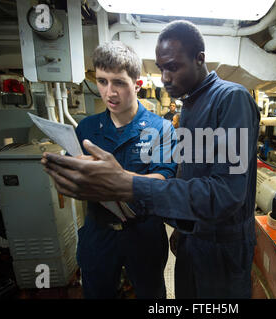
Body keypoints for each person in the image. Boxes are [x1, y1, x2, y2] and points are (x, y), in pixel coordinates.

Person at [42, 20, 260, 298]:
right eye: (161, 68)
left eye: (173, 66)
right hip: (193, 241)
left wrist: (128, 183)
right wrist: (181, 228)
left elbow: (226, 193)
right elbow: (191, 177)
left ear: (199, 59)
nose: (165, 77)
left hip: (221, 251)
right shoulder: (191, 106)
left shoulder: (230, 100)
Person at [63, 41, 177, 298]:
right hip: (99, 231)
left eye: (119, 83)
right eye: (102, 82)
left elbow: (164, 181)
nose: (110, 92)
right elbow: (78, 179)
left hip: (143, 232)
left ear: (137, 84)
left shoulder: (161, 129)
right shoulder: (87, 129)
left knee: (151, 294)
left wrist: (119, 179)